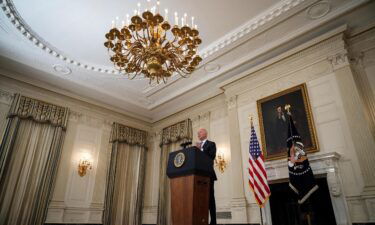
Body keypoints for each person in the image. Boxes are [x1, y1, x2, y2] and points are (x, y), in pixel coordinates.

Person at [196, 128, 217, 225]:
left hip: (208, 175)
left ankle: (213, 222)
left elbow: (211, 157)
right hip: (198, 176)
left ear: (205, 133)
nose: (198, 134)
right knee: (199, 198)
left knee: (210, 198)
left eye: (200, 132)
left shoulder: (211, 144)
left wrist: (201, 149)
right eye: (197, 133)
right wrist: (196, 151)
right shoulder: (196, 147)